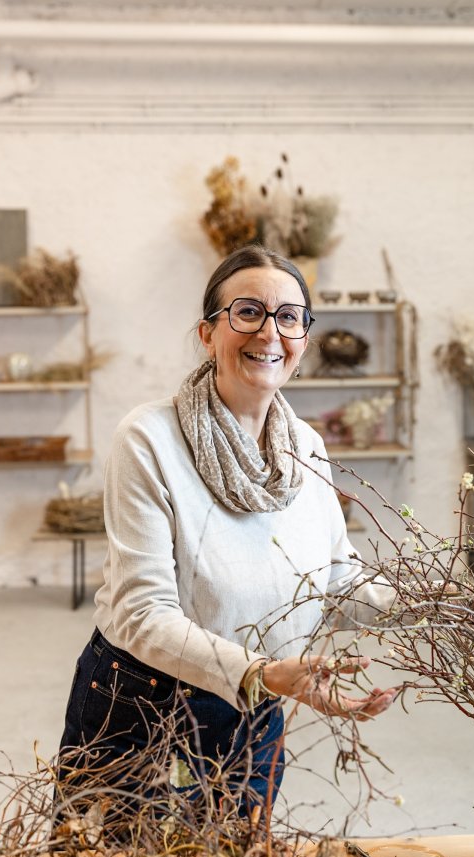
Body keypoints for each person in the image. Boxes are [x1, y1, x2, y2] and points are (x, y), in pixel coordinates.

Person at [57, 245, 397, 818]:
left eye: (288, 317)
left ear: (304, 340)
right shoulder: (149, 439)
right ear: (207, 333)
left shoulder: (306, 448)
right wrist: (261, 674)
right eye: (247, 312)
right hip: (144, 702)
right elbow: (143, 614)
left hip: (259, 698)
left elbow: (337, 584)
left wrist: (442, 604)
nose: (270, 332)